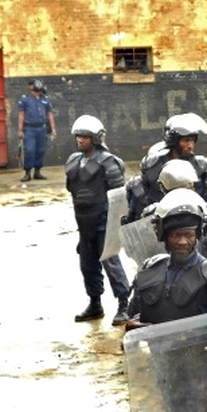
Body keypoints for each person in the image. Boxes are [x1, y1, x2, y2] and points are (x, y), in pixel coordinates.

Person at [125, 188, 207, 412]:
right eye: (176, 235)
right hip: (165, 377)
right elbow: (131, 320)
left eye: (188, 235)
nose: (182, 242)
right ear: (163, 235)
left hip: (206, 387)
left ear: (198, 235)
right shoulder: (150, 270)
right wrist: (138, 329)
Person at [64, 115, 131, 325]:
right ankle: (95, 303)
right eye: (78, 136)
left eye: (85, 136)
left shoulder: (109, 163)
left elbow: (120, 198)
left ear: (95, 138)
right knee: (87, 265)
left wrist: (116, 227)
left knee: (111, 263)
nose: (80, 140)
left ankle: (124, 304)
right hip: (84, 223)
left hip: (104, 222)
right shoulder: (74, 161)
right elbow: (73, 191)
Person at [124, 113, 207, 223]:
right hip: (159, 220)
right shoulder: (152, 164)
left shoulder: (202, 166)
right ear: (174, 140)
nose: (190, 145)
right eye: (186, 140)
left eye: (192, 140)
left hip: (193, 220)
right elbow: (144, 197)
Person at [17, 79, 57, 182]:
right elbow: (21, 115)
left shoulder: (45, 99)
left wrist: (53, 129)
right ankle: (27, 173)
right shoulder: (25, 100)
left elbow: (49, 114)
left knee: (41, 150)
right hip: (30, 128)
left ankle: (37, 172)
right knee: (29, 150)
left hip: (42, 128)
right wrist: (20, 130)